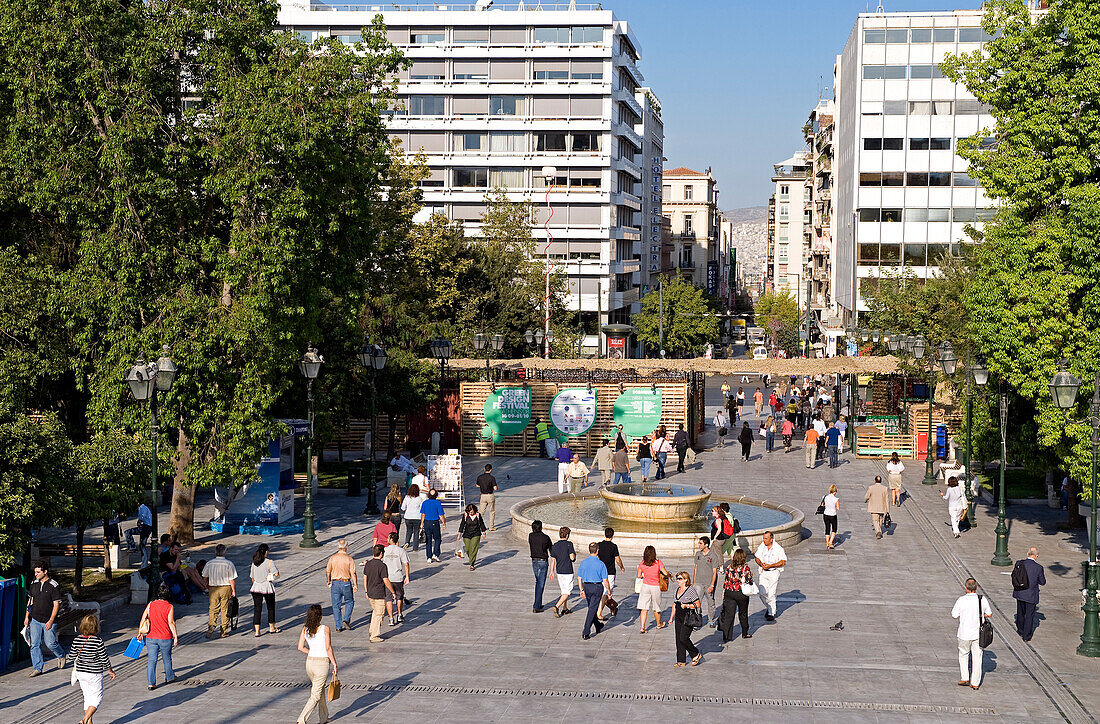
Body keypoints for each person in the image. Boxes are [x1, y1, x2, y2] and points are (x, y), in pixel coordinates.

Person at [24, 560, 66, 676]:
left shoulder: (54, 585)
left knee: (50, 643)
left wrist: (51, 620)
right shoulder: (34, 583)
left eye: (38, 572)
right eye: (35, 572)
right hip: (35, 619)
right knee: (35, 644)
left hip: (48, 619)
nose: (36, 574)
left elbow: (56, 604)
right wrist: (27, 616)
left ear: (45, 572)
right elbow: (30, 601)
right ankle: (38, 667)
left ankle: (61, 655)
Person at [296, 604, 337, 724]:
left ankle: (324, 717)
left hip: (310, 663)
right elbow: (328, 648)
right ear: (320, 616)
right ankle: (301, 720)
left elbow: (300, 647)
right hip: (321, 664)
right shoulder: (325, 628)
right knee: (315, 695)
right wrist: (334, 663)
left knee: (319, 690)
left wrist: (311, 652)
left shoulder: (305, 629)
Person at [70, 615, 115, 724]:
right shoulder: (97, 641)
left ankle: (89, 722)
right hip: (94, 673)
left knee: (87, 697)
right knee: (97, 698)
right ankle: (84, 720)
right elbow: (104, 658)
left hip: (81, 672)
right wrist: (110, 670)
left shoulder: (77, 639)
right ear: (95, 627)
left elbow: (71, 657)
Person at [951, 578, 992, 690]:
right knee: (977, 658)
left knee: (963, 654)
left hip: (964, 633)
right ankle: (975, 683)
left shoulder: (961, 600)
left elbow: (954, 615)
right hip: (978, 634)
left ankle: (965, 677)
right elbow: (989, 614)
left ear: (966, 588)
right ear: (976, 588)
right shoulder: (982, 599)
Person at [138, 584, 178, 690]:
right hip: (165, 637)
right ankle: (169, 677)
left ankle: (151, 683)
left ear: (158, 593)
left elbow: (144, 617)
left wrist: (140, 631)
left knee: (152, 660)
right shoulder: (169, 606)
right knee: (167, 658)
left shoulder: (151, 604)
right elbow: (171, 622)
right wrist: (175, 636)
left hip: (151, 637)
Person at [577, 542, 612, 640]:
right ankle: (586, 631)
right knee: (592, 609)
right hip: (597, 587)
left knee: (592, 608)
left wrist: (581, 590)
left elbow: (579, 578)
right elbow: (605, 580)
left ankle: (597, 625)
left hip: (587, 587)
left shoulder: (584, 562)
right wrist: (608, 591)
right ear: (597, 551)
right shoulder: (601, 564)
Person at [362, 544, 396, 643]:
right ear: (381, 554)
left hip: (370, 592)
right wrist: (392, 591)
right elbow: (385, 580)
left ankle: (371, 631)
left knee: (375, 612)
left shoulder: (368, 564)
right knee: (379, 614)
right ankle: (374, 636)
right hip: (379, 593)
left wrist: (366, 590)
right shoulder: (382, 566)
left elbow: (365, 577)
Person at [718, 549, 754, 642]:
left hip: (729, 592)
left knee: (729, 615)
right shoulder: (745, 568)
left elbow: (726, 580)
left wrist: (723, 592)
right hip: (740, 593)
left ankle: (727, 636)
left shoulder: (729, 567)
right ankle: (745, 633)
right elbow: (748, 581)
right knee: (743, 613)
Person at [203, 544, 237, 639]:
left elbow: (205, 576)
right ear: (224, 552)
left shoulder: (209, 563)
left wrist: (206, 584)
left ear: (215, 552)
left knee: (213, 608)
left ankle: (212, 624)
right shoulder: (229, 563)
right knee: (224, 608)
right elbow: (232, 579)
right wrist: (233, 590)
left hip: (213, 587)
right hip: (225, 587)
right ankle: (223, 630)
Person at [1012, 547, 1046, 641]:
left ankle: (1020, 630)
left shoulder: (1019, 563)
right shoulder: (1038, 568)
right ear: (1036, 556)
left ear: (1027, 554)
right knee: (1029, 615)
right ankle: (1026, 636)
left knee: (1020, 612)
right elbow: (1042, 582)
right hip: (1031, 595)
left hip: (1019, 592)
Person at [636, 545, 671, 633]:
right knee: (656, 607)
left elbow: (639, 576)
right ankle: (659, 624)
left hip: (645, 586)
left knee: (644, 608)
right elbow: (665, 573)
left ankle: (642, 627)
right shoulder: (658, 563)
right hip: (655, 587)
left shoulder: (642, 563)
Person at [325, 539, 358, 631]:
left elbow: (328, 571)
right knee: (349, 601)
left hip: (335, 582)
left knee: (336, 605)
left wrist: (328, 581)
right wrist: (355, 584)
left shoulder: (332, 558)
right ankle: (346, 619)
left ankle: (338, 626)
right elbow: (353, 573)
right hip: (346, 582)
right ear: (346, 547)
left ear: (338, 547)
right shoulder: (349, 559)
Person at [754, 531, 786, 621]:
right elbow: (757, 557)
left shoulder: (778, 548)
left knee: (771, 594)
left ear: (771, 539)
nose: (764, 540)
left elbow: (783, 561)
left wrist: (771, 565)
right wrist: (761, 564)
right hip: (764, 572)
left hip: (773, 572)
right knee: (761, 593)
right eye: (763, 538)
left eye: (766, 539)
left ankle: (771, 613)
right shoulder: (762, 546)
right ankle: (769, 607)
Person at [672, 572, 703, 666]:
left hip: (687, 616)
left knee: (683, 638)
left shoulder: (690, 590)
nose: (678, 580)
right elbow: (674, 604)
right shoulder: (678, 589)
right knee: (678, 639)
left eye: (680, 578)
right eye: (677, 578)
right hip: (678, 616)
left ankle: (695, 654)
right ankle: (681, 660)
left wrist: (687, 605)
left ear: (686, 579)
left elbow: (697, 604)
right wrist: (671, 618)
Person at [249, 543, 280, 637]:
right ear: (266, 551)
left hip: (256, 587)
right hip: (267, 587)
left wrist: (256, 583)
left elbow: (252, 576)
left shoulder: (254, 562)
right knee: (270, 608)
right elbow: (276, 574)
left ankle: (257, 631)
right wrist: (272, 576)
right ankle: (271, 627)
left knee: (257, 609)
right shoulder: (269, 562)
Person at [382, 532, 410, 625]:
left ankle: (390, 618)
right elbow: (406, 564)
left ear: (391, 539)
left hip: (387, 578)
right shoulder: (401, 551)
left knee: (388, 598)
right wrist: (407, 576)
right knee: (399, 596)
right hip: (398, 577)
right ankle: (399, 614)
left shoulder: (385, 550)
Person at [596, 528, 624, 619]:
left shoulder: (599, 545)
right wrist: (622, 567)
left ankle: (612, 608)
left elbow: (596, 557)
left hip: (600, 572)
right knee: (606, 592)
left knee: (607, 592)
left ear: (605, 535)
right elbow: (617, 559)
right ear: (612, 536)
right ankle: (599, 613)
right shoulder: (613, 546)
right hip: (610, 572)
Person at [692, 537, 720, 627]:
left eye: (700, 543)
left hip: (709, 583)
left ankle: (711, 620)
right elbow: (695, 568)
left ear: (706, 545)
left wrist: (712, 585)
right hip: (698, 582)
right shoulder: (698, 554)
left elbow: (715, 571)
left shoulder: (713, 556)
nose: (699, 545)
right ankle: (697, 619)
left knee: (710, 602)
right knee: (697, 602)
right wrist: (694, 582)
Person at [550, 527, 577, 617]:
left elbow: (553, 560)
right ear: (567, 535)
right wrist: (574, 555)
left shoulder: (555, 545)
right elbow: (572, 558)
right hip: (568, 571)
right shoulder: (569, 544)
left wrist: (551, 572)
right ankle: (556, 606)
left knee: (563, 591)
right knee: (567, 592)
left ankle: (565, 608)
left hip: (559, 571)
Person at [529, 520, 553, 613]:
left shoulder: (530, 536)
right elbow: (551, 549)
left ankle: (538, 603)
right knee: (540, 584)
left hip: (534, 561)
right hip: (543, 562)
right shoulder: (545, 538)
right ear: (541, 527)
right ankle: (536, 606)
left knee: (538, 582)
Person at [420, 488, 446, 563]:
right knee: (437, 539)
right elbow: (441, 515)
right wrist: (444, 523)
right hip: (435, 522)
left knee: (428, 540)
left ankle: (429, 557)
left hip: (427, 522)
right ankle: (435, 554)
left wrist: (422, 523)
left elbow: (423, 514)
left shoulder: (425, 503)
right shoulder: (438, 503)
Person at [458, 503, 488, 570]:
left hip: (476, 534)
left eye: (471, 512)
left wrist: (484, 532)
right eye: (469, 512)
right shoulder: (465, 515)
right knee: (468, 549)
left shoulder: (478, 515)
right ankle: (471, 559)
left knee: (474, 548)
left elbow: (482, 523)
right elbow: (462, 524)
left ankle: (472, 564)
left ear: (474, 510)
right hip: (467, 534)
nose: (470, 513)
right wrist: (459, 534)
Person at [865, 475, 891, 540]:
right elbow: (887, 500)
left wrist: (866, 500)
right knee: (880, 519)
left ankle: (878, 531)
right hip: (882, 507)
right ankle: (879, 530)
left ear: (875, 481)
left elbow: (867, 496)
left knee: (875, 520)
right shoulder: (885, 488)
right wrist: (888, 510)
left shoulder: (871, 488)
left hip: (873, 507)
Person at [400, 483, 425, 551]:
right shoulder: (419, 499)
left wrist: (406, 510)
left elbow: (402, 507)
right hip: (417, 517)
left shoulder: (407, 497)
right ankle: (415, 547)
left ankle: (407, 542)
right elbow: (422, 509)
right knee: (416, 532)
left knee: (409, 531)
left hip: (408, 516)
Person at [474, 464, 498, 531]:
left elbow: (477, 485)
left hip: (483, 496)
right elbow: (495, 488)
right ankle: (491, 527)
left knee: (481, 512)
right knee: (492, 511)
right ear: (490, 470)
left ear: (484, 469)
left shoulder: (480, 477)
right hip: (490, 496)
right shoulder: (492, 478)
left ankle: (478, 526)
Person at [822, 484, 840, 550]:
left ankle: (827, 544)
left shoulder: (825, 497)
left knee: (827, 528)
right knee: (834, 529)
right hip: (833, 515)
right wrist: (834, 506)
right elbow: (838, 508)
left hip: (826, 514)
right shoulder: (836, 499)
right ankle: (830, 542)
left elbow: (822, 504)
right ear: (835, 491)